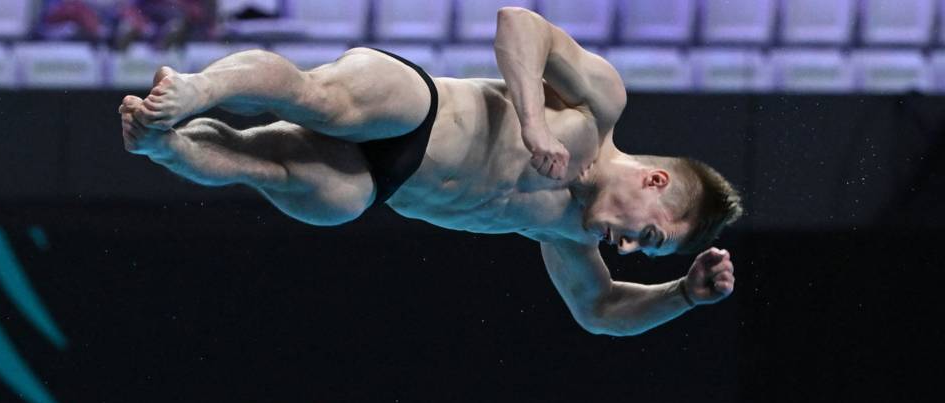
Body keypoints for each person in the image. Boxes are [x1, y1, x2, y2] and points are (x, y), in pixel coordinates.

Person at [118, 7, 742, 336]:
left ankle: (164, 145)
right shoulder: (601, 106)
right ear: (654, 182)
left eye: (641, 251)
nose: (627, 246)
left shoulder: (568, 232)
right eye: (648, 235)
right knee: (317, 99)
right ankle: (194, 87)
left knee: (318, 195)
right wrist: (533, 121)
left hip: (381, 183)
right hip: (419, 109)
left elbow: (599, 310)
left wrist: (682, 295)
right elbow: (520, 24)